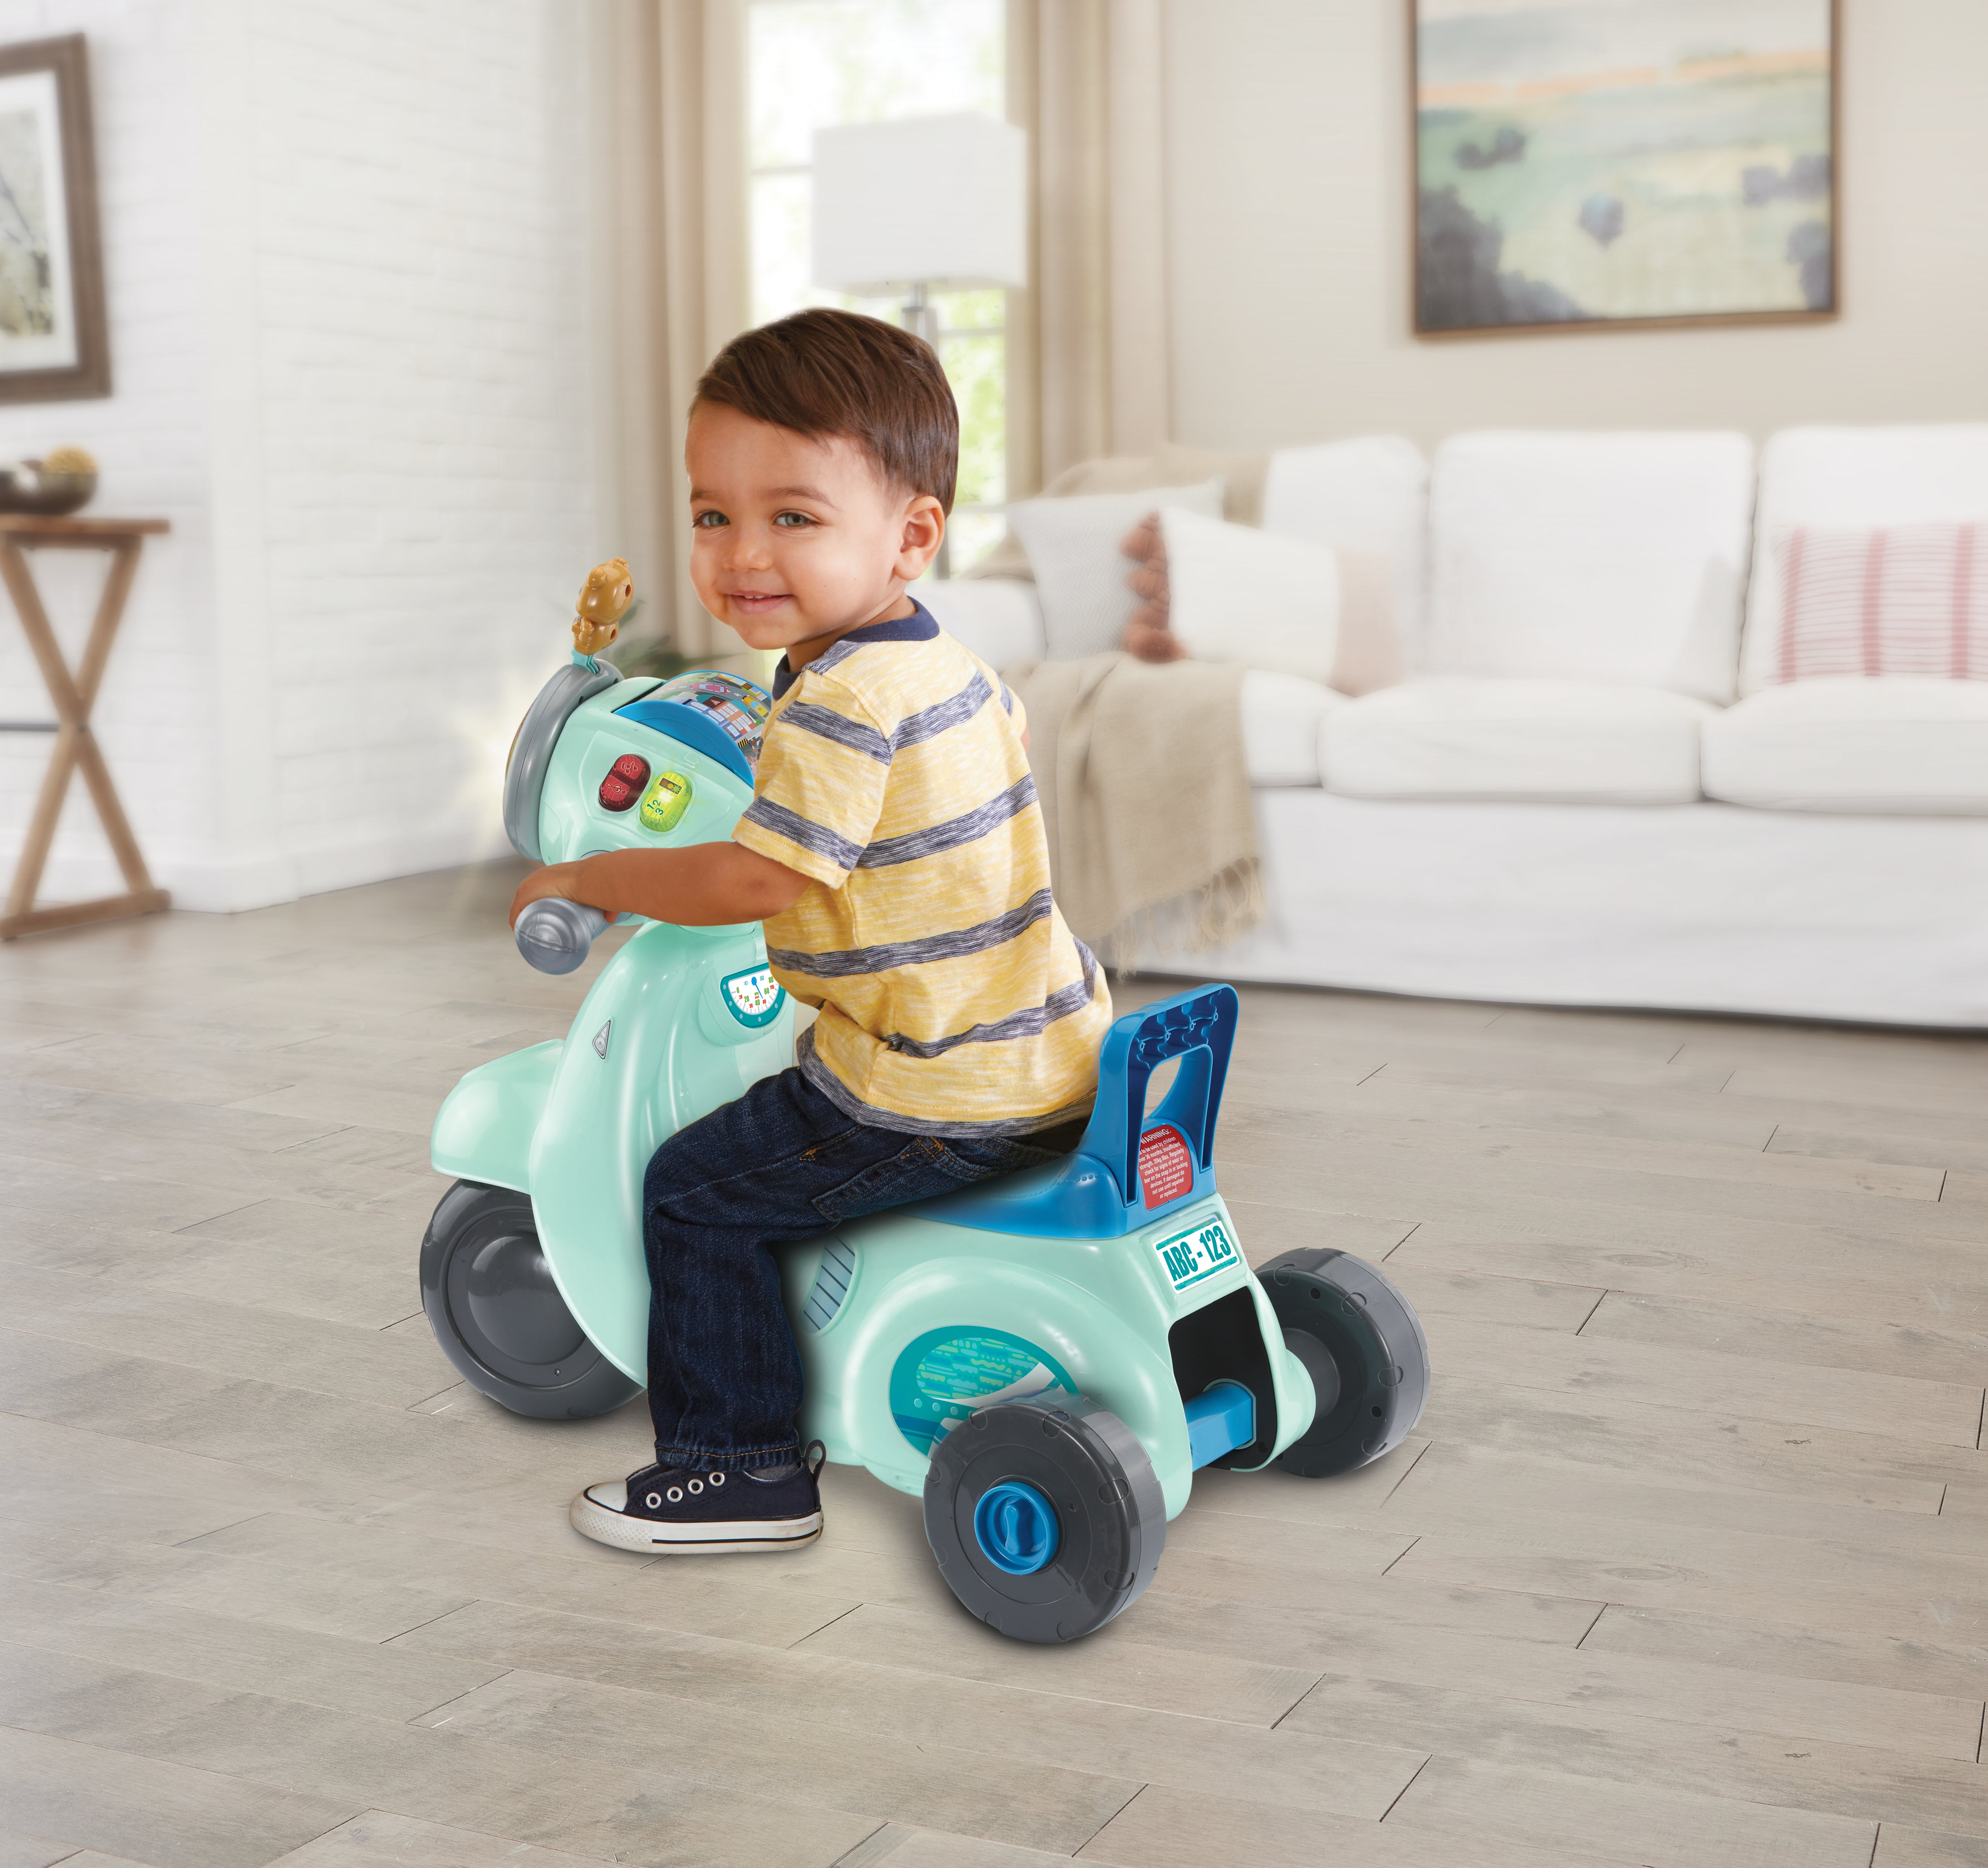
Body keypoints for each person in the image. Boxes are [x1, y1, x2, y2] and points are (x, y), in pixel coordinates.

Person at [509, 309, 1112, 1554]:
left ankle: (737, 1469)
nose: (742, 554)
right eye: (711, 514)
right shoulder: (946, 664)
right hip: (1049, 1049)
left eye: (793, 516)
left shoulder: (839, 702)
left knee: (694, 1193)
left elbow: (754, 880)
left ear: (912, 535)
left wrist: (600, 875)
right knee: (783, 1107)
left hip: (930, 1090)